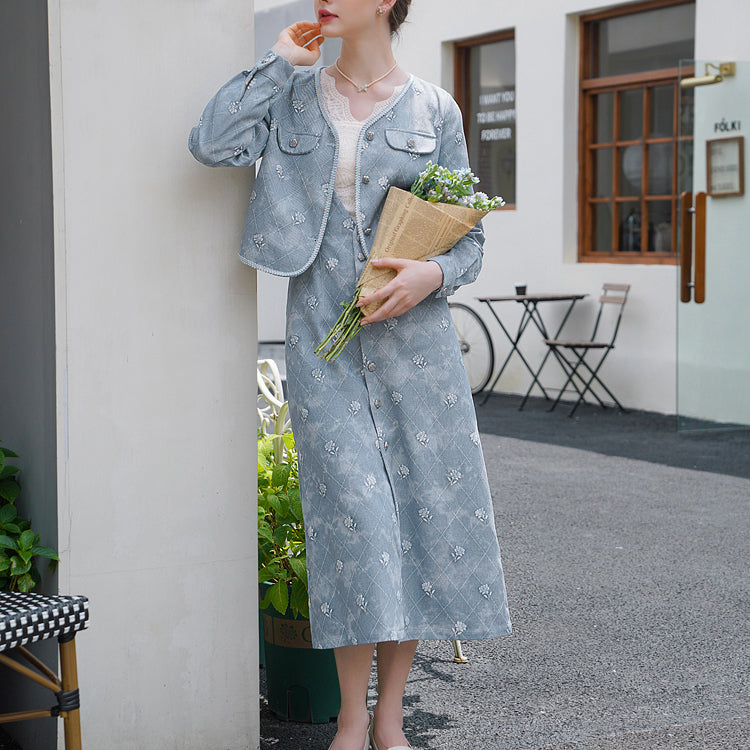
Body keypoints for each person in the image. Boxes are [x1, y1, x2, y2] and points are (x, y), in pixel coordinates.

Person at [189, 2, 511, 748]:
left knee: (417, 525)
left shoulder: (435, 107)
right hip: (322, 346)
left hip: (416, 347)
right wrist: (277, 64)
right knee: (355, 525)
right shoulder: (291, 93)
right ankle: (350, 719)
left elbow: (469, 237)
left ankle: (391, 723)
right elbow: (212, 145)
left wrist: (430, 273)